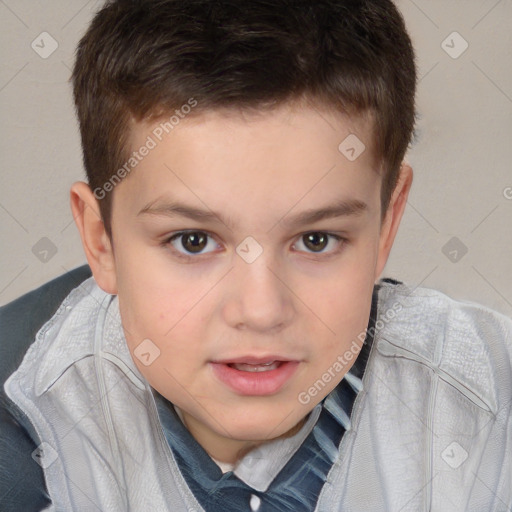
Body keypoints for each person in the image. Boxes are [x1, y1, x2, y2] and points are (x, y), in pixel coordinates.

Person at [1, 0, 511, 510]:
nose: (261, 310)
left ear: (386, 223)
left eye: (316, 240)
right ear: (100, 240)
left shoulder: (487, 403)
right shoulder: (27, 426)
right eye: (193, 241)